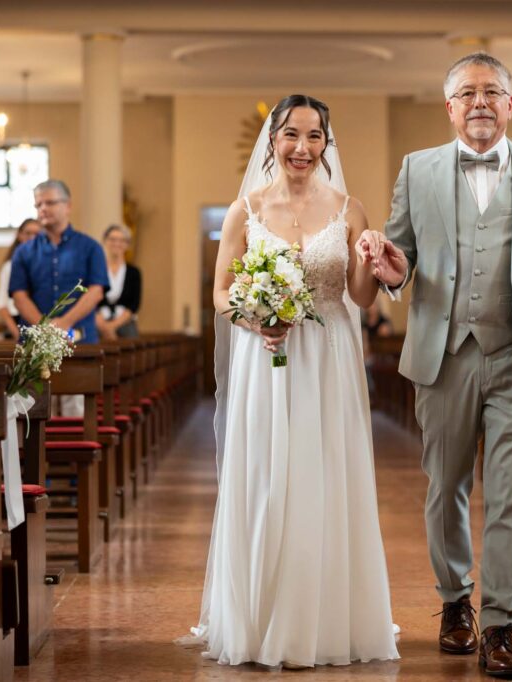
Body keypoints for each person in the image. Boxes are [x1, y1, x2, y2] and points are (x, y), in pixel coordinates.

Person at [362, 52, 512, 678]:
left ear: (511, 105)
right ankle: (454, 601)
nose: (481, 102)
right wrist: (391, 271)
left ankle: (499, 623)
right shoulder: (419, 169)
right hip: (443, 355)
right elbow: (400, 253)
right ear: (450, 106)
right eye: (468, 93)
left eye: (493, 91)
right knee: (446, 491)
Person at [188, 94, 399, 669]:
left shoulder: (350, 208)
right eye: (290, 135)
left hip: (329, 358)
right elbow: (220, 292)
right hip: (268, 358)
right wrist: (255, 317)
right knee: (267, 479)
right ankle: (261, 620)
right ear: (273, 140)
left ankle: (326, 620)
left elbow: (358, 295)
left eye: (314, 136)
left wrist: (371, 261)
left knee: (325, 474)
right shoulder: (245, 210)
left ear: (328, 143)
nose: (302, 148)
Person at [8, 180, 108, 344]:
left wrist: (65, 323)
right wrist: (45, 327)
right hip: (34, 341)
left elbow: (96, 291)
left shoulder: (91, 247)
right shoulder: (23, 251)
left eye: (50, 203)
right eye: (38, 204)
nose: (43, 209)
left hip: (79, 338)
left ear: (68, 206)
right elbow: (19, 296)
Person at [0, 218, 40, 339]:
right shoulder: (9, 266)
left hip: (41, 321)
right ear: (19, 235)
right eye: (28, 233)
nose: (32, 237)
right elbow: (2, 304)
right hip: (17, 322)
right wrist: (17, 333)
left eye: (36, 234)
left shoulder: (47, 264)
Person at [96, 224, 142, 339]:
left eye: (122, 240)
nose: (117, 243)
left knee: (131, 346)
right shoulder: (96, 269)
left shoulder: (134, 272)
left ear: (127, 244)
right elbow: (90, 298)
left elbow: (134, 305)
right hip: (98, 320)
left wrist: (112, 326)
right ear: (105, 241)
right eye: (112, 239)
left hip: (124, 321)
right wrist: (102, 324)